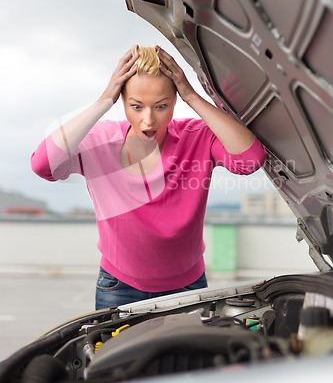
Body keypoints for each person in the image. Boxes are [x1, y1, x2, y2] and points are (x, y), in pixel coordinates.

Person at [31, 45, 266, 309]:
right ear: (122, 101)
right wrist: (103, 101)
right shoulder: (99, 142)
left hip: (187, 288)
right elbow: (43, 166)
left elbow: (250, 160)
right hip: (119, 288)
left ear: (175, 100)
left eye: (161, 106)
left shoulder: (197, 136)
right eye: (136, 106)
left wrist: (192, 95)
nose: (149, 120)